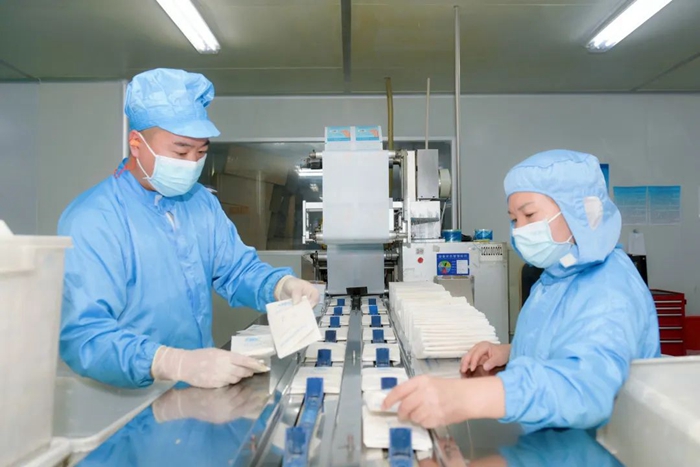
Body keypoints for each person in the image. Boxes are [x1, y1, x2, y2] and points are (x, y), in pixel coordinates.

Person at [59, 68, 319, 389]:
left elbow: (236, 270)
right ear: (136, 143)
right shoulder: (94, 218)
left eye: (201, 152)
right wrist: (169, 362)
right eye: (181, 151)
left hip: (196, 390)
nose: (192, 163)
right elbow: (84, 336)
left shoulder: (200, 203)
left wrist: (279, 285)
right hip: (127, 399)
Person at [383, 149, 660, 432]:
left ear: (581, 212)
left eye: (529, 214)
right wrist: (512, 353)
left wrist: (468, 397)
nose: (519, 230)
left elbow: (585, 387)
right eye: (515, 219)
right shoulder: (558, 275)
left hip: (600, 445)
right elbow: (567, 342)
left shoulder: (610, 290)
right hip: (553, 438)